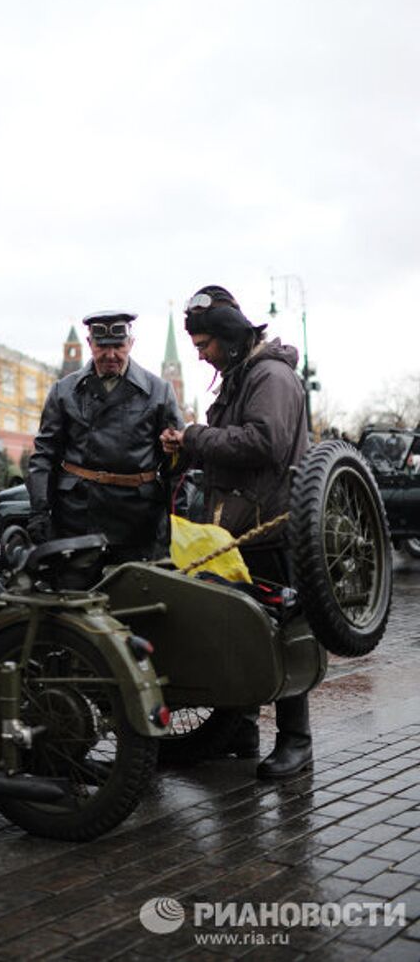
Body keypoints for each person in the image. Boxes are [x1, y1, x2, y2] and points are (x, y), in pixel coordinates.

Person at [161, 285, 312, 780]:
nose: (201, 355)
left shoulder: (270, 376)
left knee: (284, 631)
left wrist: (195, 435)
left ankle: (297, 741)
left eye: (204, 345)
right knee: (239, 630)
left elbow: (264, 442)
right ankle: (242, 732)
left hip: (273, 527)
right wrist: (185, 446)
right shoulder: (240, 375)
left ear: (227, 337)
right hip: (238, 527)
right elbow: (228, 447)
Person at [28, 309, 183, 562]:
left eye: (119, 346)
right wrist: (39, 510)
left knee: (138, 595)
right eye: (102, 346)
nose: (111, 355)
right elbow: (44, 456)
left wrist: (178, 520)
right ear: (90, 343)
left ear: (131, 343)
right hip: (77, 517)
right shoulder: (64, 391)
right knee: (75, 595)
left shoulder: (159, 391)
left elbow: (176, 465)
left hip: (138, 521)